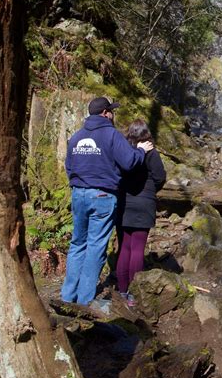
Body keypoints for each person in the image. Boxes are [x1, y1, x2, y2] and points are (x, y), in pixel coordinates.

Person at [61, 97, 153, 305]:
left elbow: (69, 167)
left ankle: (67, 296)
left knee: (77, 244)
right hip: (102, 195)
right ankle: (84, 300)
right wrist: (141, 151)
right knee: (95, 247)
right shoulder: (111, 135)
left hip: (78, 193)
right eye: (111, 111)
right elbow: (129, 162)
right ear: (105, 113)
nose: (113, 114)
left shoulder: (76, 137)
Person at [116, 119, 166, 306]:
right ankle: (134, 293)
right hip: (144, 202)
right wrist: (151, 189)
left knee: (125, 247)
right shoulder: (151, 152)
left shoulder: (124, 150)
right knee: (137, 248)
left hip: (124, 201)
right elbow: (160, 176)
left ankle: (122, 291)